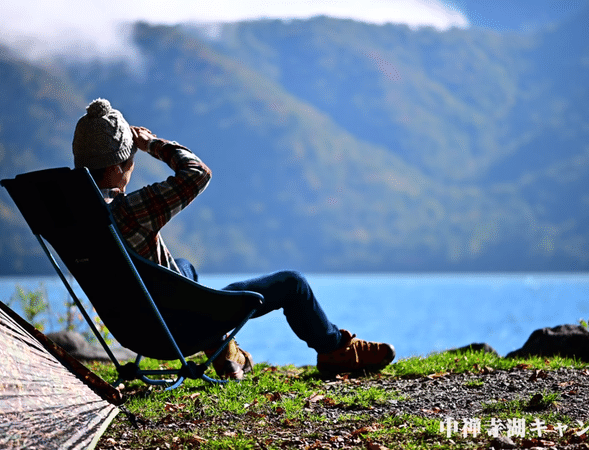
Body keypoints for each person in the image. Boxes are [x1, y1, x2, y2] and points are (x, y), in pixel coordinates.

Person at [72, 98, 395, 379]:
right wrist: (151, 143)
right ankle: (334, 349)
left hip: (134, 330)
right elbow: (197, 173)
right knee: (292, 283)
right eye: (130, 161)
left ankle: (224, 350)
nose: (132, 167)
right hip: (178, 329)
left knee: (183, 267)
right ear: (118, 166)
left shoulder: (69, 214)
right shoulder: (129, 211)